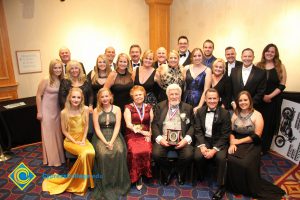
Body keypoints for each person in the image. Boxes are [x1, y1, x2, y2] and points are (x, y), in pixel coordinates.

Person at [226, 90, 285, 199]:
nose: (243, 102)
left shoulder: (257, 115)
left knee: (244, 163)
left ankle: (247, 187)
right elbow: (231, 131)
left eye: (245, 100)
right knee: (229, 158)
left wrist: (238, 142)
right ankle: (235, 187)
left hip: (252, 143)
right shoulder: (235, 114)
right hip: (236, 140)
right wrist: (231, 143)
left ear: (250, 101)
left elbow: (257, 136)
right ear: (237, 102)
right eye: (240, 100)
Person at [42, 88, 95, 196]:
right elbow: (64, 131)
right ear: (69, 98)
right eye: (74, 97)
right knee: (84, 153)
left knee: (91, 153)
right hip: (70, 141)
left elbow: (86, 127)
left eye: (78, 97)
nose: (76, 99)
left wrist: (83, 139)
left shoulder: (85, 109)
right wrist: (75, 141)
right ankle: (80, 182)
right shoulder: (64, 112)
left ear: (82, 99)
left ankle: (86, 180)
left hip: (83, 139)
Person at [92, 88, 130, 199]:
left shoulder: (117, 109)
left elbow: (117, 126)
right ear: (99, 98)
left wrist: (112, 141)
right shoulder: (96, 110)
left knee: (119, 151)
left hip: (114, 134)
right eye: (102, 97)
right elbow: (97, 129)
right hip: (101, 136)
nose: (104, 99)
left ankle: (118, 182)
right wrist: (105, 142)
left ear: (111, 97)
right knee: (103, 154)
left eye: (106, 96)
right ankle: (106, 183)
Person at [152, 84, 194, 185]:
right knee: (156, 155)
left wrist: (185, 140)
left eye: (177, 94)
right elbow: (154, 124)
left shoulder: (188, 108)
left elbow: (193, 126)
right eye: (172, 94)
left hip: (181, 139)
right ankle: (167, 171)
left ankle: (180, 171)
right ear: (167, 95)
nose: (174, 96)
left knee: (188, 155)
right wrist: (160, 139)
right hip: (164, 138)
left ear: (180, 95)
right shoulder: (160, 106)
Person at [194, 88, 231, 200]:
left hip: (218, 141)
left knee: (220, 158)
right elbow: (198, 130)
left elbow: (225, 134)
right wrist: (202, 145)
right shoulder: (200, 111)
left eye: (214, 98)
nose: (212, 100)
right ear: (205, 99)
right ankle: (201, 175)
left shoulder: (225, 113)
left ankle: (221, 186)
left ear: (218, 99)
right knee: (197, 156)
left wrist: (214, 150)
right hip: (204, 140)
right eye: (209, 98)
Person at [257, 44, 287, 155]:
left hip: (272, 101)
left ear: (275, 54)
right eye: (267, 51)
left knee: (268, 125)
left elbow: (282, 85)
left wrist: (270, 96)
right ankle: (255, 147)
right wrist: (262, 96)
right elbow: (254, 83)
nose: (269, 53)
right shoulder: (258, 65)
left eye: (272, 52)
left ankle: (263, 148)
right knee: (258, 124)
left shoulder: (280, 66)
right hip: (259, 101)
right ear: (264, 52)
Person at [36, 59, 65, 166]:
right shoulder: (46, 80)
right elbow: (38, 95)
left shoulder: (61, 80)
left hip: (57, 110)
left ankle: (60, 158)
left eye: (59, 68)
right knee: (49, 135)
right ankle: (52, 160)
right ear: (51, 69)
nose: (57, 70)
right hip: (46, 110)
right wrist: (39, 112)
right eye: (55, 68)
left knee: (57, 134)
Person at [124, 86, 153, 190]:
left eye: (140, 94)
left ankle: (145, 173)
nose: (138, 97)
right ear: (132, 97)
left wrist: (149, 135)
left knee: (148, 150)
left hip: (146, 134)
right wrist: (142, 132)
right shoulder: (128, 107)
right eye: (136, 95)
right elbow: (128, 124)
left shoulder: (149, 107)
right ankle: (136, 177)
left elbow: (151, 123)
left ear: (144, 95)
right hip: (132, 134)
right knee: (135, 152)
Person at [183, 48, 212, 112]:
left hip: (200, 99)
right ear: (192, 57)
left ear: (202, 56)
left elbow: (206, 90)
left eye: (199, 55)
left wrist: (199, 106)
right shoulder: (186, 68)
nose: (197, 58)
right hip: (186, 99)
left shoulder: (207, 70)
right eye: (194, 56)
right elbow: (183, 86)